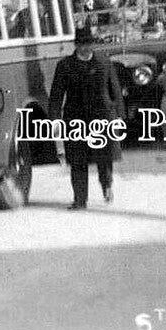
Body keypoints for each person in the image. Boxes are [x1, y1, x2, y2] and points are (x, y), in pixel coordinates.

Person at [48, 27, 126, 210]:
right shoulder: (65, 66)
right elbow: (56, 95)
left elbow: (114, 90)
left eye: (89, 44)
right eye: (82, 44)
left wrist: (119, 117)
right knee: (77, 161)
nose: (86, 48)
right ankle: (80, 200)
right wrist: (55, 119)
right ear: (76, 45)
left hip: (102, 117)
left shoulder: (104, 62)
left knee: (104, 159)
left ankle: (107, 186)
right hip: (76, 119)